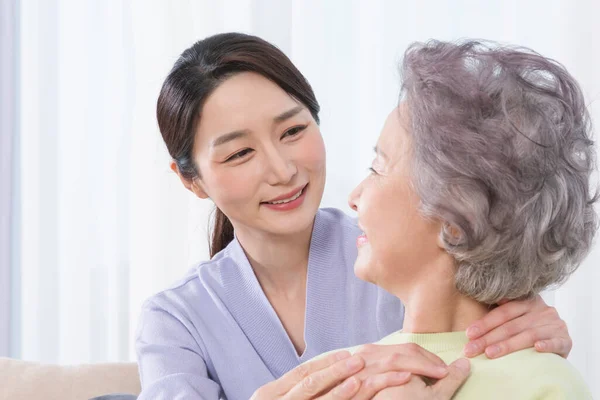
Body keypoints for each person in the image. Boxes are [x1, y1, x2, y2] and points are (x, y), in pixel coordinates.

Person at [135, 33, 573, 400]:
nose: (282, 170)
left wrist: (527, 327)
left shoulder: (398, 252)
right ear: (191, 180)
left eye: (293, 131)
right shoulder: (175, 322)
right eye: (240, 153)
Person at [339, 39, 596, 398]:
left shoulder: (544, 386)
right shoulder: (336, 377)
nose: (353, 198)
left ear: (454, 218)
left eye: (377, 168)